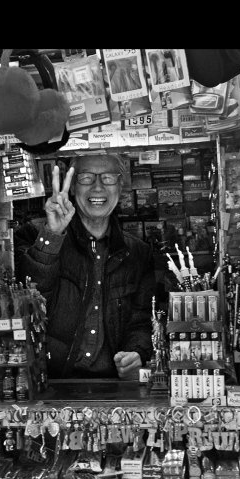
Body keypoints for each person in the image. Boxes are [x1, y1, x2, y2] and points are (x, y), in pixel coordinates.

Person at [15, 155, 154, 380]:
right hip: (51, 383)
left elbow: (142, 319)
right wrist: (52, 234)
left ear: (121, 186)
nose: (97, 187)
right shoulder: (35, 235)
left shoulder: (137, 253)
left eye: (108, 178)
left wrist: (137, 352)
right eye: (86, 178)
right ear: (72, 188)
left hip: (112, 386)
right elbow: (29, 303)